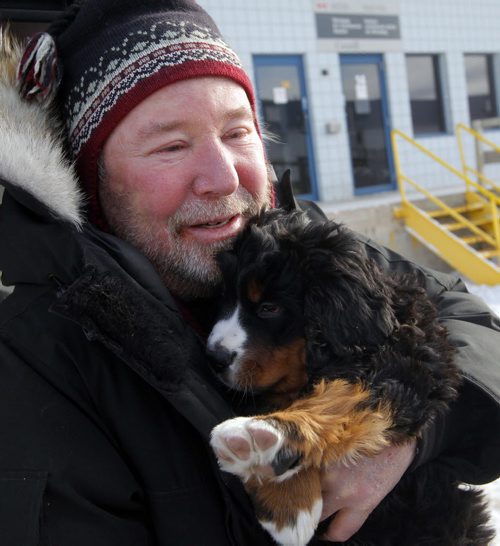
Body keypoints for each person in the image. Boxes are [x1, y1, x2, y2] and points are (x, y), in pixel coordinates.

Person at [0, 1, 498, 544]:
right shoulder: (39, 353)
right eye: (172, 146)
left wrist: (399, 433)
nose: (222, 176)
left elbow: (474, 330)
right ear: (89, 179)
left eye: (237, 133)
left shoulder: (300, 245)